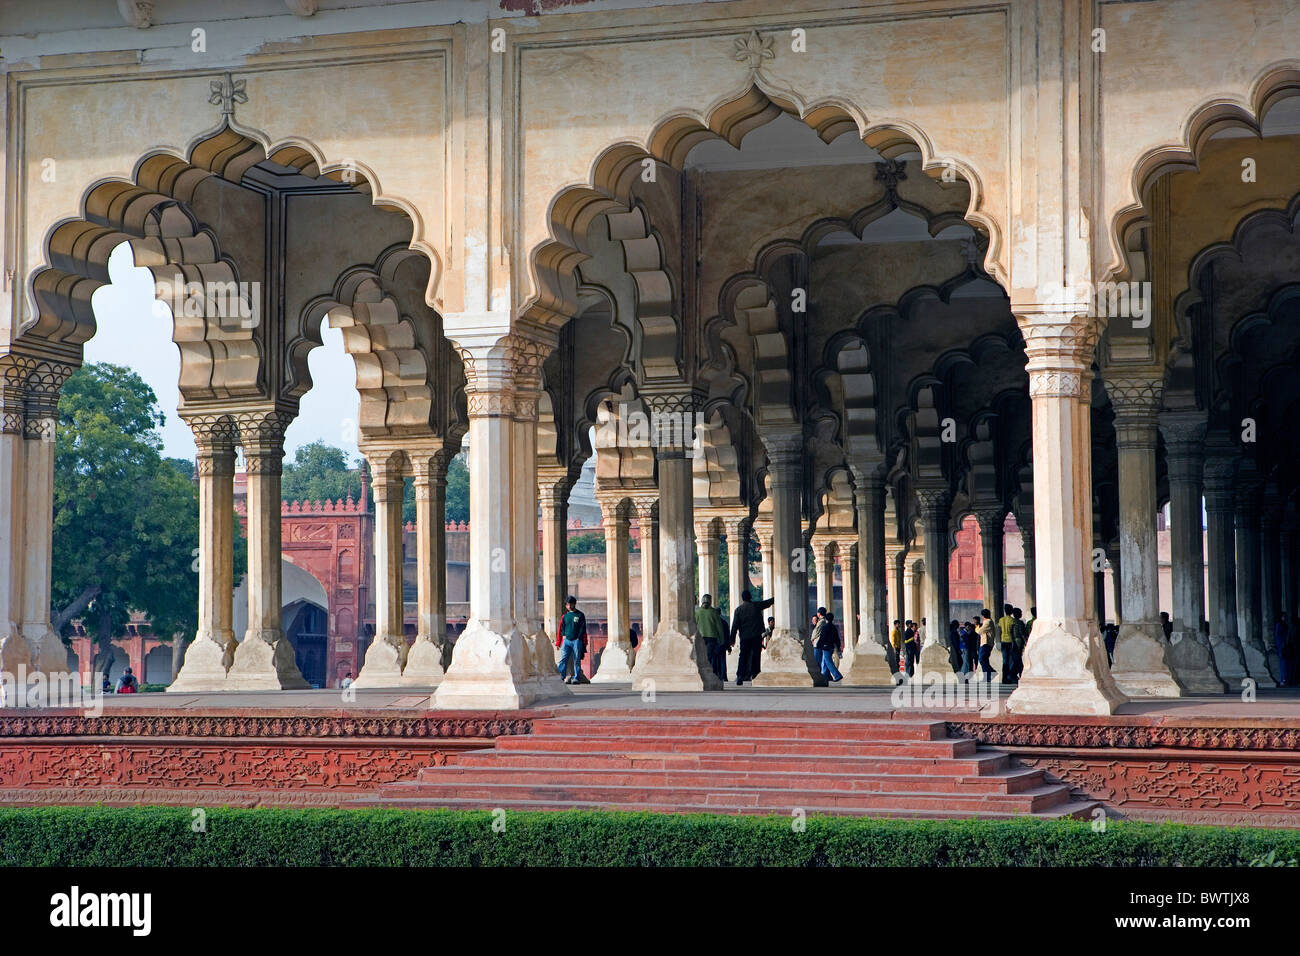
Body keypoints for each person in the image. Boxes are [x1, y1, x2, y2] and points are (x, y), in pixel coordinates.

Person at [730, 589, 775, 684]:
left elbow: (734, 626)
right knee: (756, 655)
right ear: (750, 597)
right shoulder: (755, 606)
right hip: (755, 636)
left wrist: (732, 639)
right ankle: (755, 674)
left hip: (745, 637)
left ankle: (740, 676)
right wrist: (776, 598)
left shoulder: (738, 610)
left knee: (743, 656)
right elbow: (766, 603)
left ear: (742, 598)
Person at [695, 594, 729, 682]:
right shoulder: (714, 612)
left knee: (701, 656)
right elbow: (719, 627)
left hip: (701, 638)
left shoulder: (698, 612)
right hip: (712, 638)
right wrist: (721, 640)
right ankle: (709, 674)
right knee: (710, 657)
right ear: (710, 601)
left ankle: (702, 674)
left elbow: (695, 626)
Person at [555, 595, 588, 684]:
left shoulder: (580, 615)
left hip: (576, 640)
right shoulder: (565, 616)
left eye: (571, 604)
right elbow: (562, 627)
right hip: (566, 640)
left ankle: (577, 678)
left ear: (574, 604)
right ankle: (561, 676)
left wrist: (579, 638)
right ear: (566, 605)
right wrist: (562, 638)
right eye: (568, 604)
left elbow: (583, 628)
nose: (569, 606)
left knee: (576, 660)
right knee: (563, 659)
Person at [813, 609, 843, 683]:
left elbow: (822, 637)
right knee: (825, 662)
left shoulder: (825, 627)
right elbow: (837, 638)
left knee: (828, 661)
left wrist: (818, 645)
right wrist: (838, 647)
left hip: (826, 646)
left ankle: (837, 675)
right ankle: (825, 677)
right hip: (831, 646)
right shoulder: (833, 627)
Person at [997, 603, 1017, 684]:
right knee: (1011, 661)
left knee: (1005, 661)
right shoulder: (1012, 620)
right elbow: (1012, 633)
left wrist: (998, 641)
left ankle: (1004, 678)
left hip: (1003, 642)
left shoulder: (1001, 620)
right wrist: (1013, 643)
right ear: (1011, 611)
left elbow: (999, 631)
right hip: (1010, 642)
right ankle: (1010, 677)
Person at [977, 608, 996, 683]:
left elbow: (979, 631)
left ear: (982, 616)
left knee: (982, 659)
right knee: (984, 660)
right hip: (985, 643)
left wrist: (977, 626)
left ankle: (990, 673)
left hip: (986, 643)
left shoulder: (988, 622)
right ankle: (988, 675)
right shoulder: (987, 622)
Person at [1010, 607, 1028, 682]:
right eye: (1020, 612)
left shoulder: (1012, 622)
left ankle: (1013, 674)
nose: (1021, 614)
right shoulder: (1019, 623)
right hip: (1018, 642)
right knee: (1018, 660)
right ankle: (1015, 674)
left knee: (1016, 659)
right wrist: (1026, 642)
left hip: (1012, 641)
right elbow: (1022, 633)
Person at [1275, 612, 1290, 686]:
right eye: (1284, 617)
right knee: (1283, 663)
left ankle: (1285, 679)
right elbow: (1277, 636)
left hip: (1285, 646)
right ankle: (1283, 679)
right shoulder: (1279, 625)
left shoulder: (1285, 626)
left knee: (1286, 663)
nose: (1285, 618)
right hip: (1281, 646)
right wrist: (1280, 645)